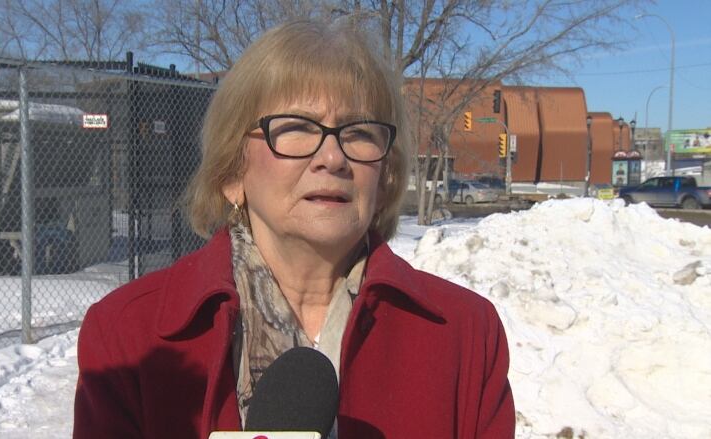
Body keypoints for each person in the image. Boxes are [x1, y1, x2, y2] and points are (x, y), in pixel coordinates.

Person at [74, 19, 514, 439]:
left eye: (359, 133)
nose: (333, 158)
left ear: (385, 178)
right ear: (232, 172)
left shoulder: (465, 335)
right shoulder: (129, 337)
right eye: (297, 128)